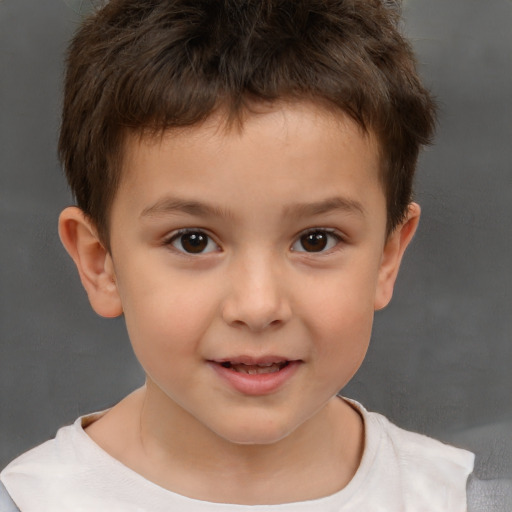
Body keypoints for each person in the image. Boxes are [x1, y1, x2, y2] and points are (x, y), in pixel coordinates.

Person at [0, 0, 477, 510]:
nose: (257, 306)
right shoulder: (31, 500)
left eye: (315, 240)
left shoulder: (456, 497)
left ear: (387, 257)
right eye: (193, 240)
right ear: (101, 263)